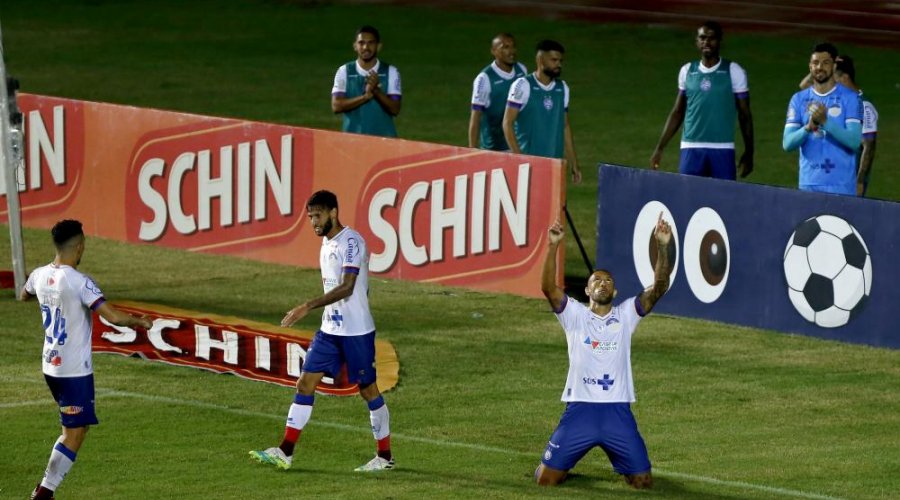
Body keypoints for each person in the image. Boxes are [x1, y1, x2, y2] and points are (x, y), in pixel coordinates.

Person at [250, 190, 394, 472]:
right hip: (330, 329)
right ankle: (285, 452)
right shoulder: (326, 244)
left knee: (368, 390)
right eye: (310, 217)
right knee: (305, 383)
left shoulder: (351, 241)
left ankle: (385, 457)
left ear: (333, 213)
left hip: (356, 332)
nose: (314, 222)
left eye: (318, 215)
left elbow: (348, 286)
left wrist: (308, 305)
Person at [535, 213, 672, 489]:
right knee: (546, 481)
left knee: (643, 483)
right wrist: (552, 246)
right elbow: (548, 288)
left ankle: (622, 462)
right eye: (597, 280)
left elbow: (659, 289)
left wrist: (663, 246)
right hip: (580, 411)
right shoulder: (574, 315)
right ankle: (560, 464)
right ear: (587, 290)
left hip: (617, 412)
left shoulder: (626, 315)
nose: (602, 283)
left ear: (616, 291)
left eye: (608, 281)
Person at [20, 220, 153, 500]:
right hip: (73, 371)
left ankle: (45, 491)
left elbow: (24, 294)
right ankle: (43, 492)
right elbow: (112, 316)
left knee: (75, 428)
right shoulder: (81, 282)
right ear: (79, 246)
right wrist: (139, 321)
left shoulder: (39, 275)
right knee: (74, 434)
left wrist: (49, 300)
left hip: (50, 365)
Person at [650, 21, 754, 180]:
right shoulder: (687, 71)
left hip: (722, 147)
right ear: (697, 41)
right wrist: (660, 148)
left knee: (723, 200)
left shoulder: (734, 71)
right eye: (702, 38)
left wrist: (749, 151)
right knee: (690, 200)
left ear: (720, 41)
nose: (706, 42)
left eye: (711, 38)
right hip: (691, 147)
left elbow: (745, 115)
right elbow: (677, 112)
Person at [783, 43, 862, 195]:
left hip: (842, 186)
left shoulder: (851, 99)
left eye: (825, 63)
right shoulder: (798, 100)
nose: (819, 67)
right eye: (815, 63)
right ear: (810, 67)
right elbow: (787, 144)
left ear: (833, 66)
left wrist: (825, 122)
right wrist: (808, 127)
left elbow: (854, 142)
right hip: (808, 185)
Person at [502, 39, 582, 184]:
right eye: (554, 60)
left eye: (560, 60)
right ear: (540, 59)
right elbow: (507, 123)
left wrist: (574, 162)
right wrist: (519, 158)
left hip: (554, 165)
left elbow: (564, 126)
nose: (558, 64)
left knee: (554, 206)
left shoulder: (562, 88)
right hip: (530, 166)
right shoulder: (522, 85)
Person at [798, 55, 877, 196]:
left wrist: (859, 182)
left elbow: (869, 147)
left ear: (845, 78)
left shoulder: (864, 106)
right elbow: (803, 86)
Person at [331, 25, 402, 137]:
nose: (365, 47)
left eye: (371, 43)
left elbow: (395, 108)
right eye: (361, 43)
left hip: (384, 141)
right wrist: (364, 97)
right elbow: (336, 106)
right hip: (352, 140)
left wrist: (376, 91)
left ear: (378, 46)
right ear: (355, 46)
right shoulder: (344, 71)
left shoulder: (391, 72)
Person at [468, 33, 528, 151]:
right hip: (494, 149)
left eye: (513, 46)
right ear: (494, 51)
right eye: (505, 47)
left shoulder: (522, 70)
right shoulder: (484, 79)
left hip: (518, 145)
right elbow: (475, 118)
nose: (511, 51)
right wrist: (471, 150)